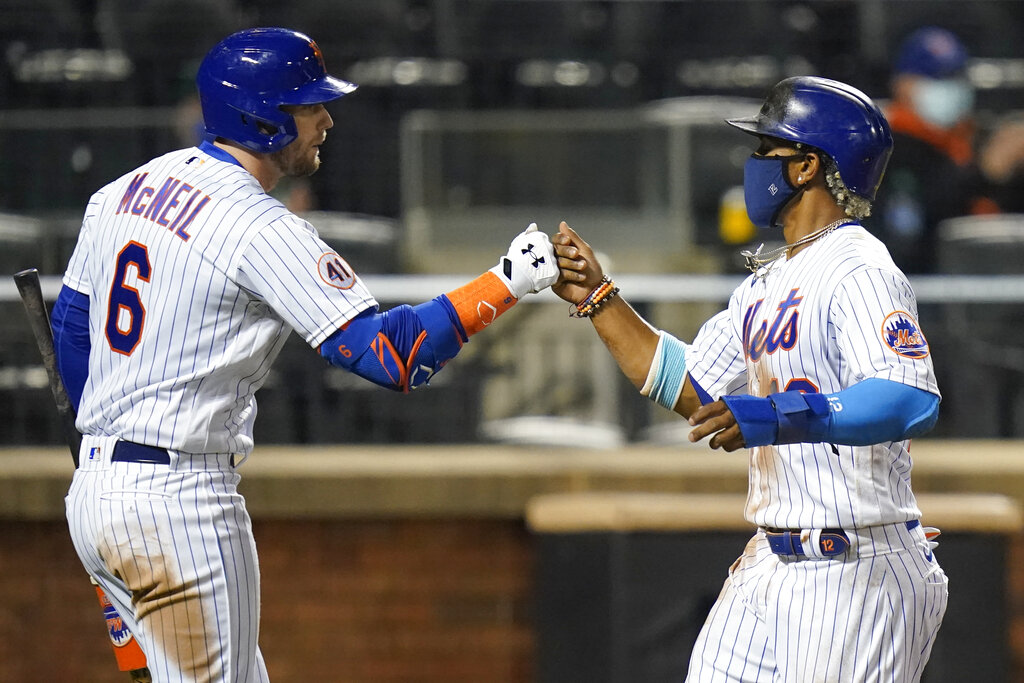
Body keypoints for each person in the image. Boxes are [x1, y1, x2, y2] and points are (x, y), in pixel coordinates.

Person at [49, 27, 558, 682]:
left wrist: (107, 450)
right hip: (177, 504)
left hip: (97, 495)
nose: (325, 118)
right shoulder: (259, 227)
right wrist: (507, 280)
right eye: (307, 105)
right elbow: (391, 355)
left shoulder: (120, 192)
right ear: (261, 118)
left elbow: (72, 334)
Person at [553, 76, 947, 681]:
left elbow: (908, 397)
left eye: (769, 149)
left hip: (853, 567)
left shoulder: (860, 268)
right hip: (771, 559)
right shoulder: (767, 282)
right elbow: (691, 389)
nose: (755, 163)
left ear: (806, 166)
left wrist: (773, 416)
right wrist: (600, 299)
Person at [873, 26, 995, 274]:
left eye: (956, 77)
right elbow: (908, 234)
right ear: (903, 84)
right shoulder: (884, 146)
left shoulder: (968, 140)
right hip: (918, 287)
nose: (952, 87)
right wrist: (985, 172)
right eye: (938, 78)